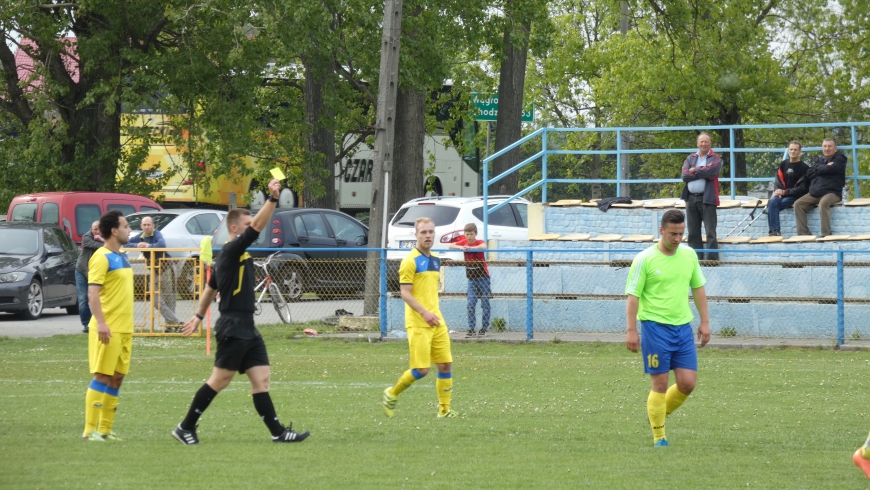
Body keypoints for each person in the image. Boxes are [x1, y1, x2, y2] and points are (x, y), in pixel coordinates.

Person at [172, 179, 309, 445]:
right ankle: (185, 427)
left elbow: (211, 288)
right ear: (234, 229)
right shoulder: (232, 249)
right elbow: (257, 227)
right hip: (234, 327)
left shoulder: (237, 256)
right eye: (246, 225)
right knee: (219, 381)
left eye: (250, 224)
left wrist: (198, 316)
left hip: (247, 327)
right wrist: (272, 199)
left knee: (262, 379)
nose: (252, 228)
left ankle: (278, 433)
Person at [625, 209, 711, 447]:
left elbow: (698, 288)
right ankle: (659, 436)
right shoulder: (644, 259)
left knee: (687, 383)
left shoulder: (689, 255)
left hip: (683, 328)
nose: (677, 238)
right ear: (661, 231)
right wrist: (631, 330)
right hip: (655, 329)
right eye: (673, 234)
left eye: (681, 234)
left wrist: (704, 322)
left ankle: (657, 413)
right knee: (660, 384)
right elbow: (633, 296)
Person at [382, 217, 456, 419]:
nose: (428, 235)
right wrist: (424, 313)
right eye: (423, 232)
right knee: (421, 369)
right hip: (419, 323)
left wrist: (433, 313)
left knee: (445, 365)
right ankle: (391, 393)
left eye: (431, 232)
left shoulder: (435, 260)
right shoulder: (409, 261)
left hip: (436, 320)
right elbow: (405, 293)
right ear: (416, 235)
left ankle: (444, 410)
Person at [82, 210, 133, 441]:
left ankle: (105, 430)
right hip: (107, 328)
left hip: (124, 328)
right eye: (126, 226)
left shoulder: (122, 256)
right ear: (114, 230)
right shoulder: (101, 257)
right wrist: (101, 323)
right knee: (102, 375)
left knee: (117, 377)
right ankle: (89, 431)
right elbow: (93, 294)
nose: (129, 229)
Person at [125, 216, 180, 329]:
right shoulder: (140, 236)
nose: (146, 227)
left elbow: (162, 244)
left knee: (169, 298)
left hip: (166, 269)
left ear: (153, 226)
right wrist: (137, 245)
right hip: (154, 271)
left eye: (148, 225)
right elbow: (125, 244)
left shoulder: (157, 234)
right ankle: (176, 323)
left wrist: (148, 246)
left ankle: (169, 326)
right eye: (144, 225)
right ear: (141, 226)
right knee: (155, 299)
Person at [680, 132, 722, 261]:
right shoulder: (690, 158)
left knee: (710, 232)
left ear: (710, 144)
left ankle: (712, 261)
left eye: (706, 142)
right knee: (693, 233)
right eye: (701, 142)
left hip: (707, 198)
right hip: (691, 198)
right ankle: (695, 260)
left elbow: (711, 172)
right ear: (697, 143)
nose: (703, 144)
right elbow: (685, 175)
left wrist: (695, 170)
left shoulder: (716, 158)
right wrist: (702, 170)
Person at [793, 138, 847, 237]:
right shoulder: (819, 160)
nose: (827, 148)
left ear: (835, 148)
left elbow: (832, 169)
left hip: (832, 192)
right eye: (825, 146)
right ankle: (803, 234)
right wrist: (825, 167)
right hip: (815, 192)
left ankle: (825, 234)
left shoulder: (840, 159)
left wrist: (819, 169)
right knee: (798, 204)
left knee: (823, 204)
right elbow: (809, 172)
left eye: (830, 146)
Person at [449, 223, 491, 337]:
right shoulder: (463, 242)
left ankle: (484, 328)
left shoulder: (479, 242)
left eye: (471, 234)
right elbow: (451, 246)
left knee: (485, 303)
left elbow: (484, 246)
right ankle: (471, 328)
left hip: (483, 277)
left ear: (475, 234)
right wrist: (460, 247)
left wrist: (471, 248)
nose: (469, 237)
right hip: (471, 278)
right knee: (471, 303)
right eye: (467, 234)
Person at [768, 141, 810, 236]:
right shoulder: (783, 164)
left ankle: (771, 213)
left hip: (795, 196)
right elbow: (778, 181)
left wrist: (785, 192)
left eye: (795, 150)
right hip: (783, 194)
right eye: (791, 149)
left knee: (773, 206)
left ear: (800, 152)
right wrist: (778, 192)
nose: (793, 151)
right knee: (773, 202)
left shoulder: (804, 168)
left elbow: (803, 188)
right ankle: (774, 231)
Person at [75, 221, 103, 333]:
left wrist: (102, 239)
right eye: (94, 229)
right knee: (83, 299)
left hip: (96, 272)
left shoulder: (104, 237)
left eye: (98, 229)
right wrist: (104, 242)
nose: (96, 231)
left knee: (99, 298)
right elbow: (98, 246)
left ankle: (98, 322)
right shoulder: (86, 237)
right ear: (91, 229)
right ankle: (87, 325)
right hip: (82, 271)